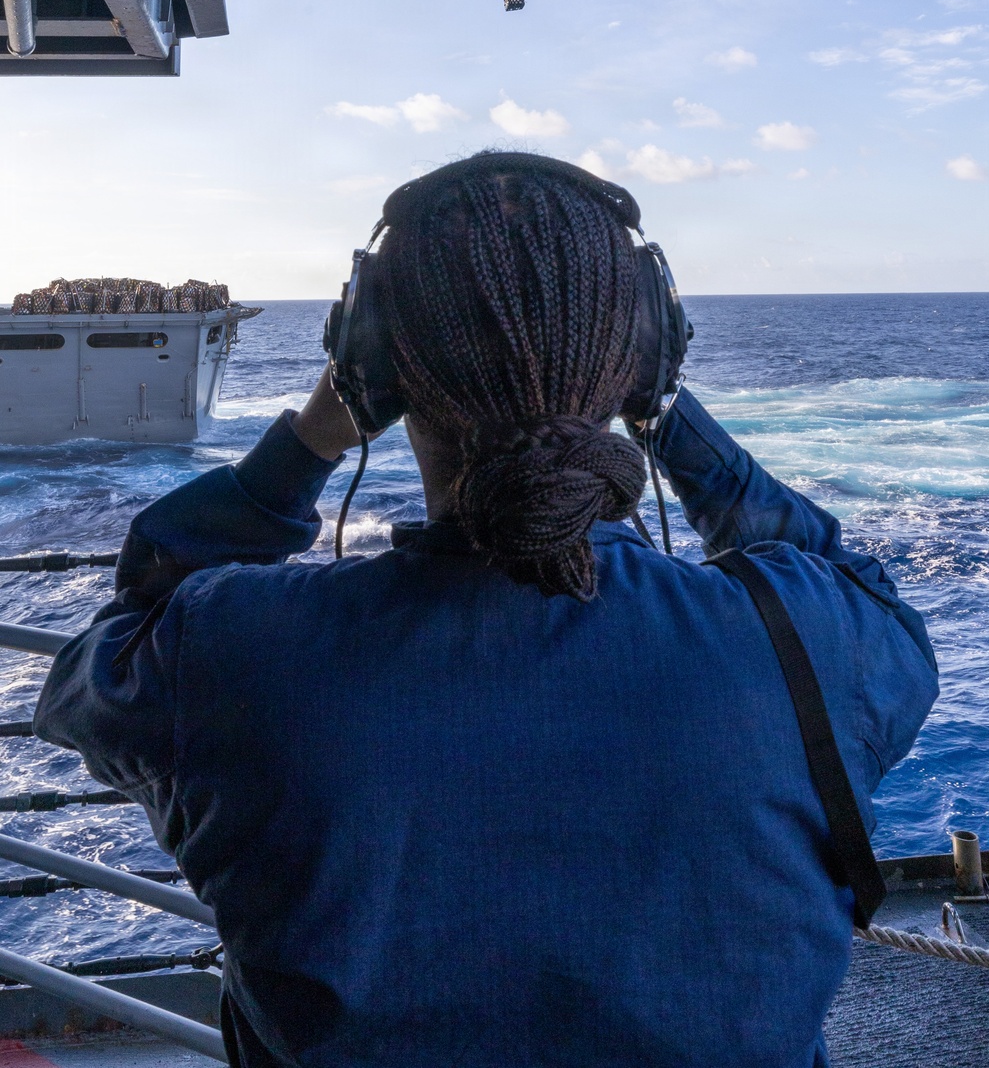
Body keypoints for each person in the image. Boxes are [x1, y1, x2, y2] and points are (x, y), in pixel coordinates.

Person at [35, 151, 937, 1068]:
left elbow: (113, 650)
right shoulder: (811, 638)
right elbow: (847, 580)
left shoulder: (229, 646)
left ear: (369, 356)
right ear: (648, 342)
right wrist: (664, 409)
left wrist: (314, 432)